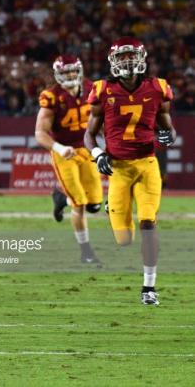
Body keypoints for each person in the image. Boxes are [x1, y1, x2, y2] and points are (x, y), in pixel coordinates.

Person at [84, 37, 176, 306]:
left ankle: (149, 286)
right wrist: (98, 153)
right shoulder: (102, 91)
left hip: (147, 164)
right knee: (124, 239)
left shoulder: (158, 88)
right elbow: (89, 135)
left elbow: (168, 127)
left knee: (148, 222)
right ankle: (111, 205)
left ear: (142, 58)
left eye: (131, 55)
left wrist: (168, 135)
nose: (127, 61)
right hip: (119, 168)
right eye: (121, 57)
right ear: (113, 61)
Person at [35, 55, 102, 264]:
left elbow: (104, 118)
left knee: (95, 205)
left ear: (80, 71)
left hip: (86, 150)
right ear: (58, 75)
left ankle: (60, 198)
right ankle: (86, 251)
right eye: (66, 72)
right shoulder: (52, 96)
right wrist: (58, 148)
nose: (71, 75)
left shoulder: (93, 89)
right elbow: (40, 132)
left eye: (73, 71)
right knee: (79, 203)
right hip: (65, 153)